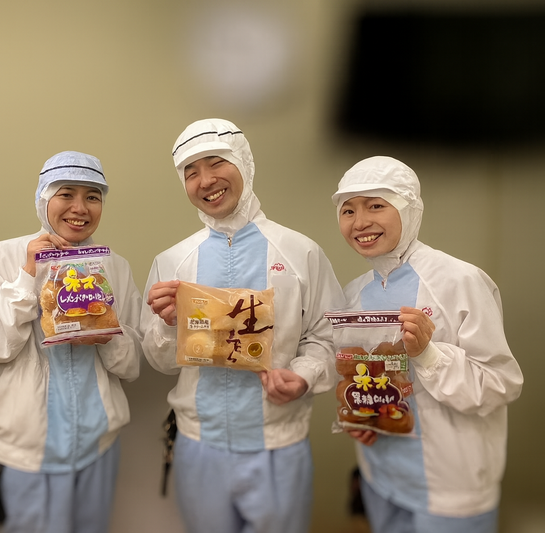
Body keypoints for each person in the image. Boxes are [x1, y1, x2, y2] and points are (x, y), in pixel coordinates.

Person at [141, 118, 344, 533]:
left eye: (216, 163)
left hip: (278, 444)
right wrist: (167, 325)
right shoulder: (173, 262)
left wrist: (304, 376)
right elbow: (160, 360)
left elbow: (328, 337)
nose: (205, 180)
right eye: (191, 172)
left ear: (245, 164)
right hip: (199, 444)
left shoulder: (300, 252)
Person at [332, 155, 524, 533]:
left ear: (409, 209)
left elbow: (502, 383)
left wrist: (428, 354)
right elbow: (367, 378)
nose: (360, 222)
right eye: (348, 210)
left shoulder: (460, 281)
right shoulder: (354, 294)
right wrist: (363, 416)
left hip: (450, 487)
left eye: (376, 206)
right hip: (380, 473)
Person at [0, 150, 142, 533]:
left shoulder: (114, 267)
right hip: (25, 452)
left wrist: (106, 336)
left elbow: (132, 364)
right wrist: (27, 276)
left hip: (97, 446)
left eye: (92, 196)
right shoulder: (5, 257)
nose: (80, 208)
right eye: (66, 194)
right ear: (43, 199)